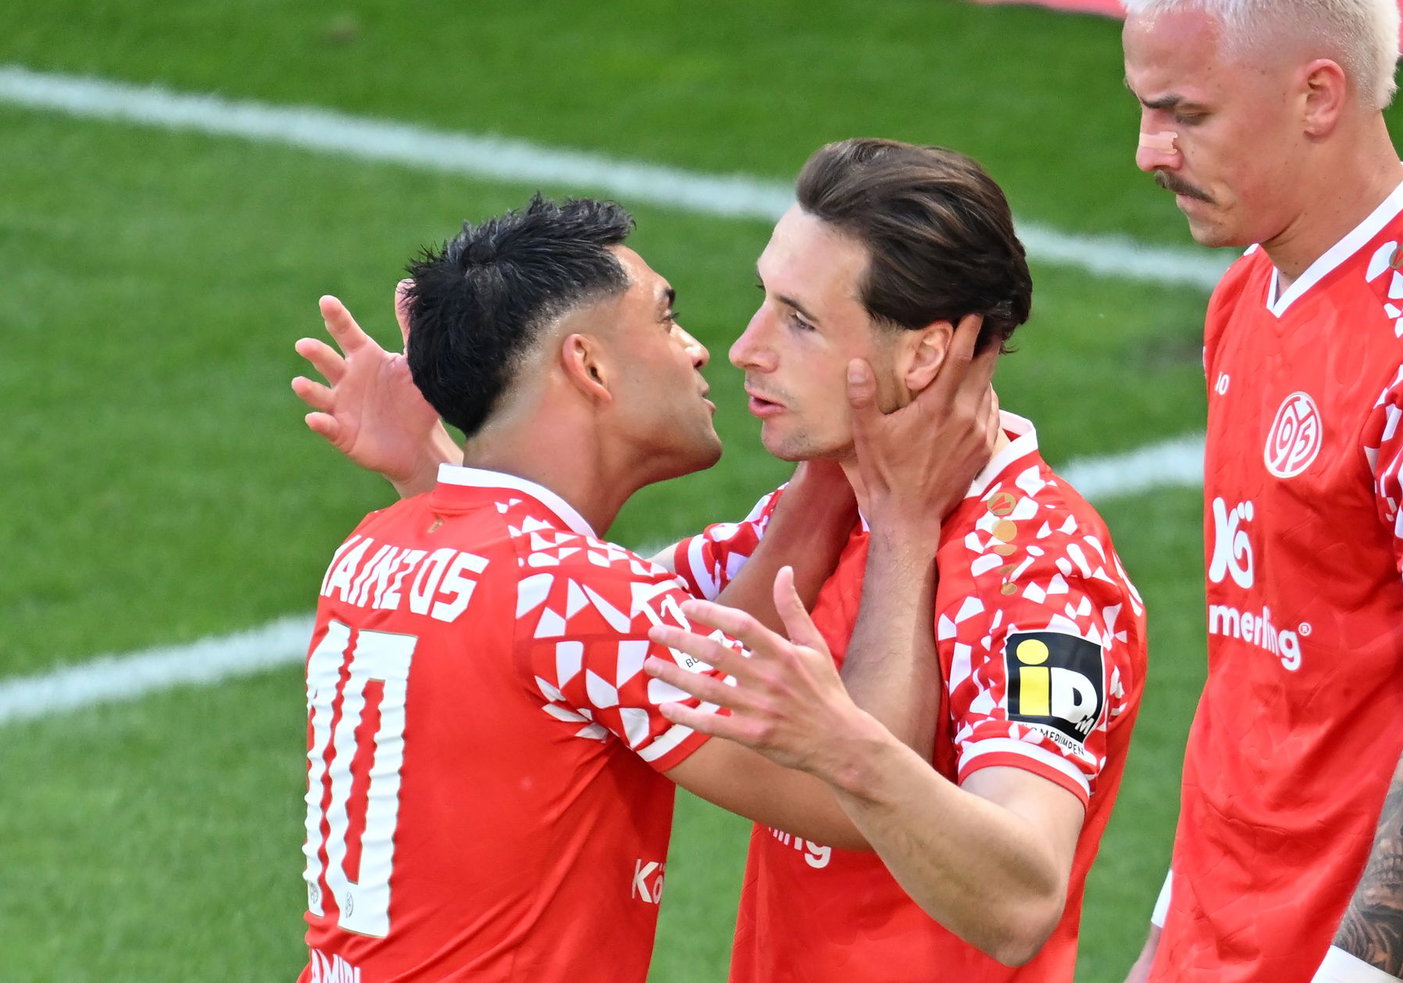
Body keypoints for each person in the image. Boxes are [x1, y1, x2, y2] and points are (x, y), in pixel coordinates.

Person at [296, 138, 1148, 981]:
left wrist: (435, 465)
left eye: (800, 320)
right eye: (761, 300)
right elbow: (572, 623)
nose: (739, 347)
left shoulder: (1034, 565)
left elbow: (1022, 896)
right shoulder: (788, 529)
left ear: (925, 353)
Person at [1117, 2, 1403, 981]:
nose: (1145, 151)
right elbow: (1259, 674)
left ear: (1317, 96)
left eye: (1183, 114)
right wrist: (1172, 928)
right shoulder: (1245, 297)